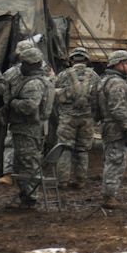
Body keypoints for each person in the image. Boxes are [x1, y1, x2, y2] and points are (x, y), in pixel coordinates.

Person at [5, 45, 52, 208]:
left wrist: (12, 102)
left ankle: (29, 198)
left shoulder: (34, 84)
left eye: (25, 63)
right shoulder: (42, 80)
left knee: (27, 163)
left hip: (28, 129)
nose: (22, 67)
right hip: (30, 129)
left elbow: (29, 106)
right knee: (24, 163)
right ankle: (26, 195)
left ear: (32, 64)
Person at [97, 49, 127, 210]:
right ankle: (109, 196)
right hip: (116, 128)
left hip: (111, 126)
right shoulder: (117, 83)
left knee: (114, 160)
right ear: (117, 64)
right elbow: (117, 109)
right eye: (126, 63)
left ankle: (110, 193)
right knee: (115, 161)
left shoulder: (106, 80)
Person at [53, 49, 100, 189]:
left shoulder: (63, 75)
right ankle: (80, 180)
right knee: (82, 150)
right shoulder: (94, 76)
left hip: (68, 118)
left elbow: (53, 93)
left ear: (72, 60)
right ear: (86, 60)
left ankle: (63, 181)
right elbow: (99, 97)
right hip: (87, 118)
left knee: (65, 148)